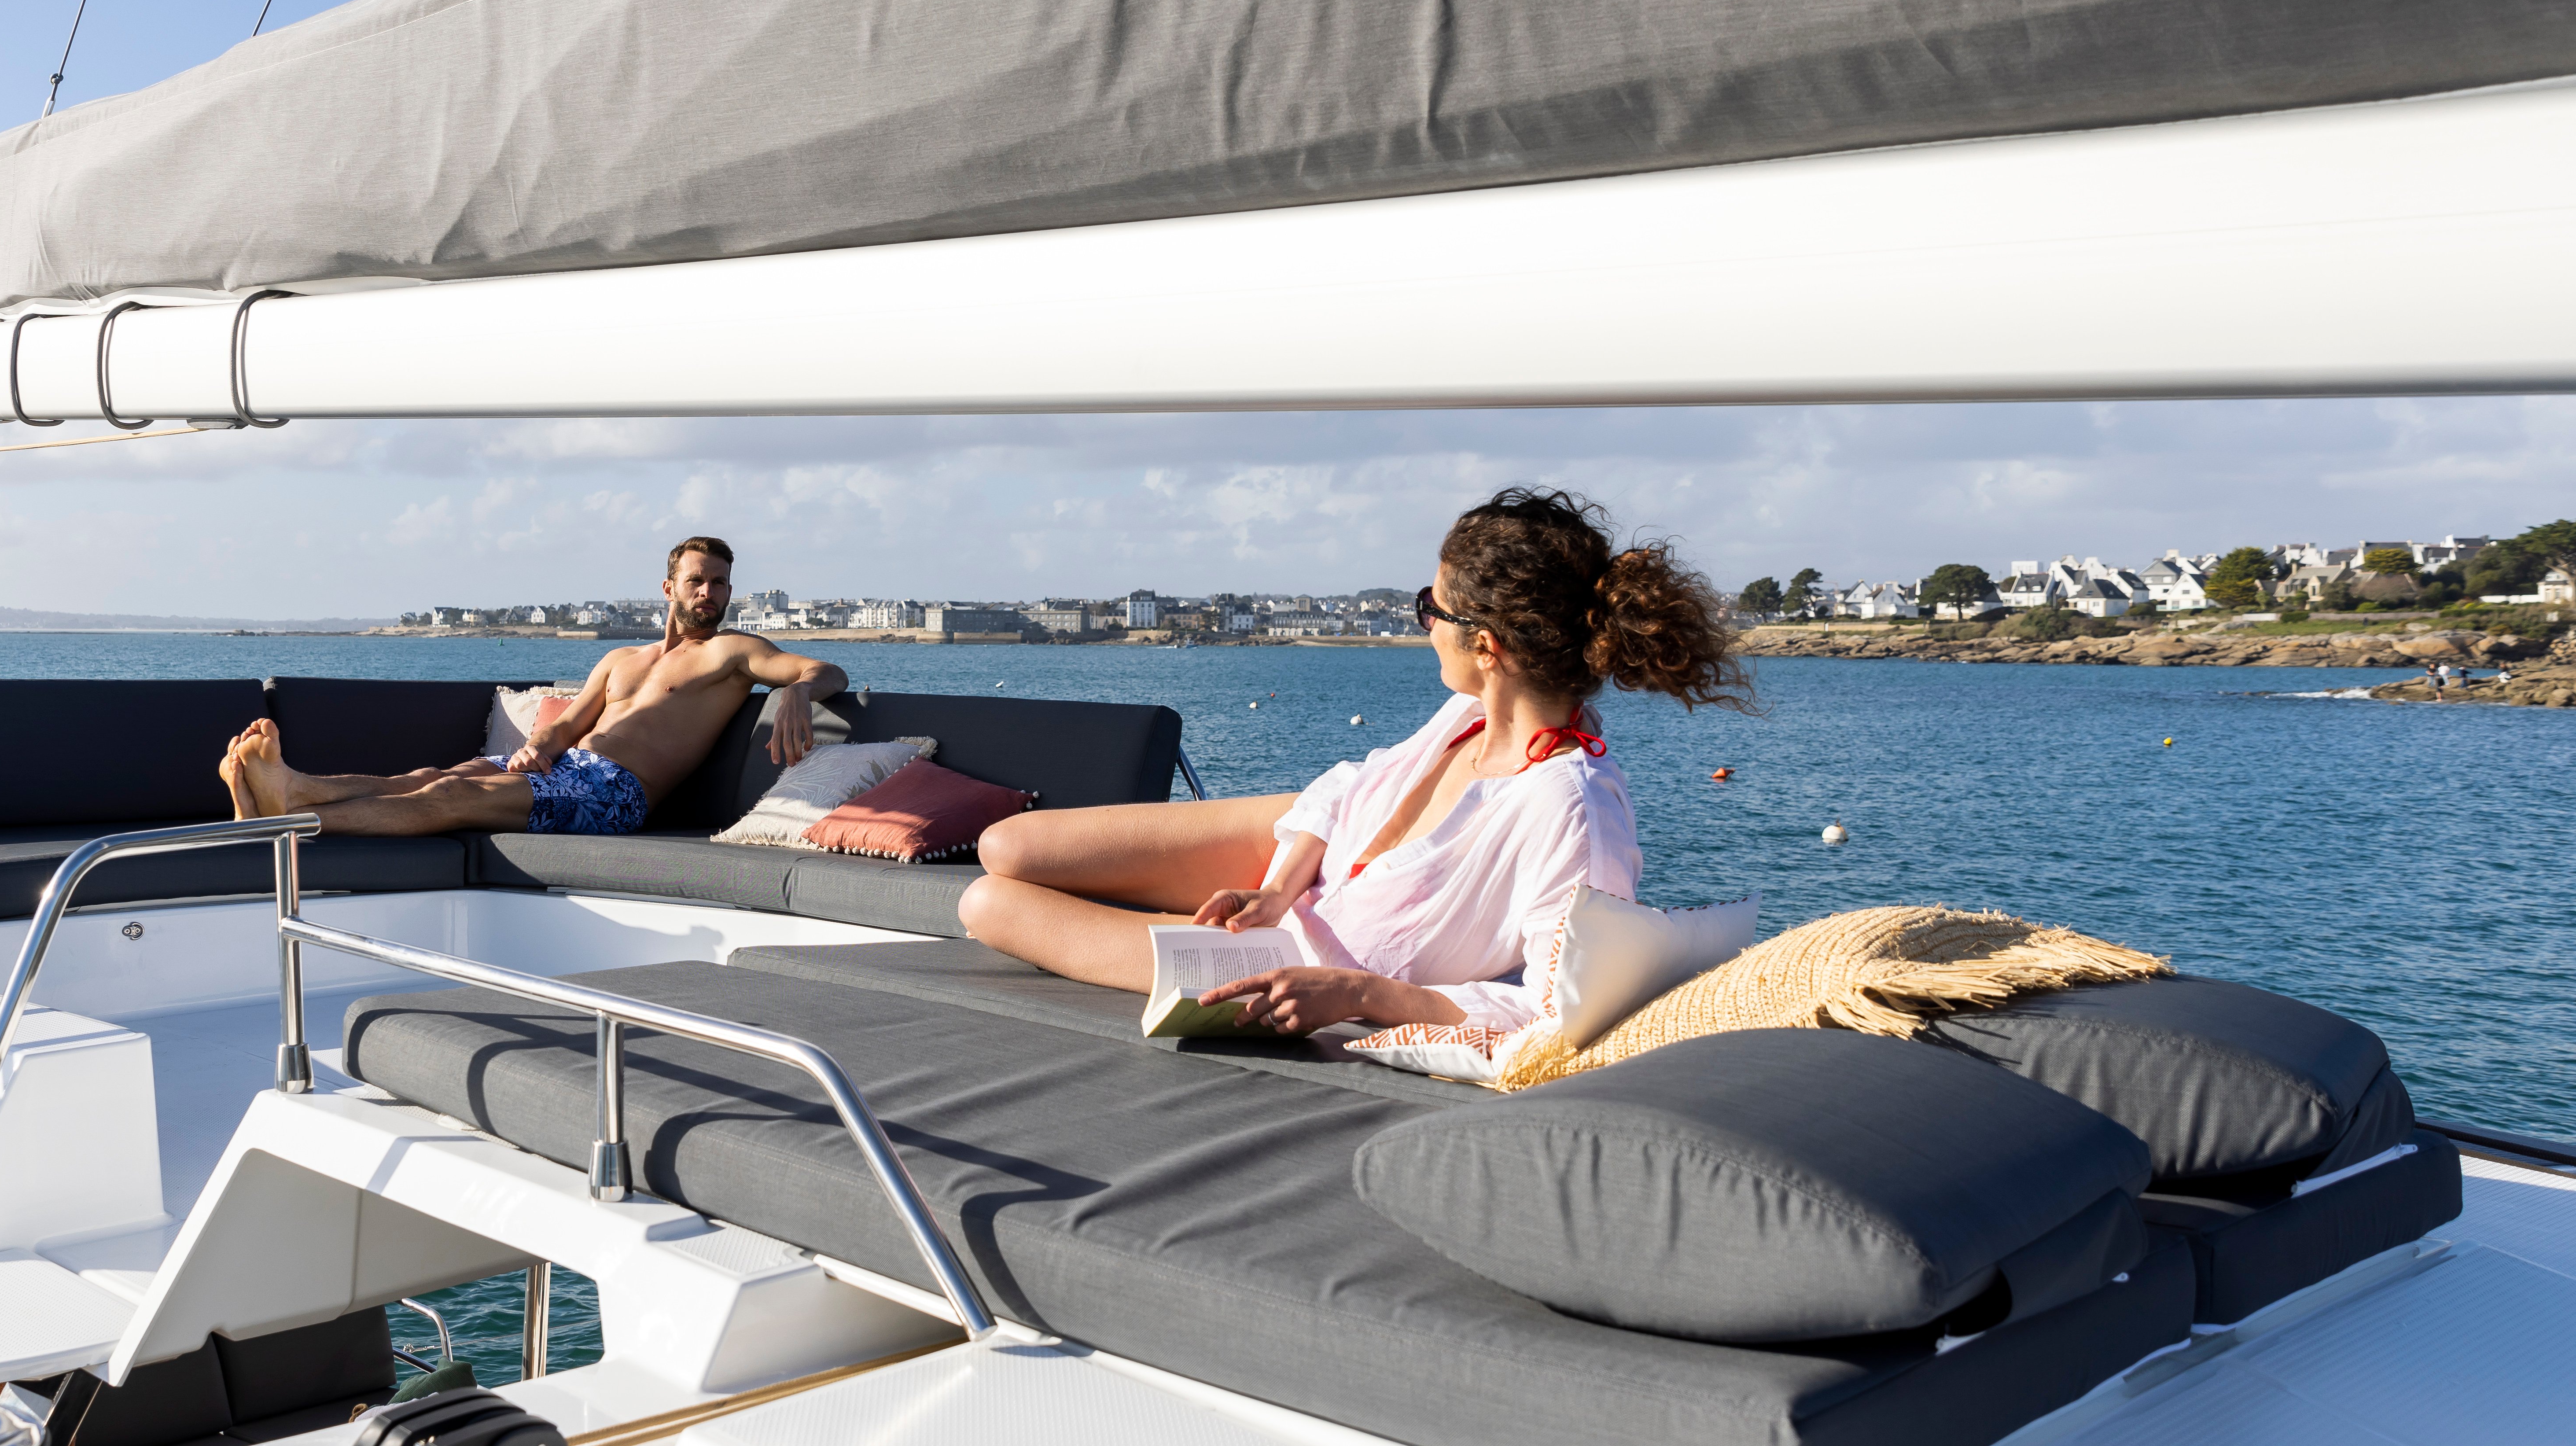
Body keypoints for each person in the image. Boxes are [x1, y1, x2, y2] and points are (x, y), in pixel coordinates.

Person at [961, 488, 1749, 1041]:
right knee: (1010, 846)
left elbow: (1555, 1009)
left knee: (988, 905)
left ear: (1487, 645)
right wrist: (1276, 891)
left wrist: (1362, 996)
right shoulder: (1466, 716)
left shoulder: (1569, 808)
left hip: (1311, 965)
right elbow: (1346, 787)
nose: (1423, 624)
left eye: (1428, 609)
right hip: (1303, 883)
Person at [221, 537, 846, 837]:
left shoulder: (735, 653)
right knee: (432, 775)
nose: (711, 594)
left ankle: (291, 821)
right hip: (564, 766)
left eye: (721, 584)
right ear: (669, 588)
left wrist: (794, 691)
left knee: (449, 798)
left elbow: (827, 673)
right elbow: (568, 725)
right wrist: (538, 744)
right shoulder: (620, 659)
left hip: (616, 796)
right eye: (698, 581)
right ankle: (295, 788)